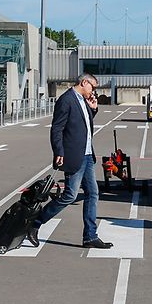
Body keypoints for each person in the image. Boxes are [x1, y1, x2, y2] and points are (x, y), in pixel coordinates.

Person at [28, 73, 113, 249]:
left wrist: (93, 109)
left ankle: (90, 236)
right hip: (75, 155)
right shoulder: (66, 100)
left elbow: (82, 126)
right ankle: (34, 223)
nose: (94, 91)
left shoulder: (83, 100)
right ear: (84, 82)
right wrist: (58, 150)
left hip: (88, 155)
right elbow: (57, 128)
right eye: (93, 87)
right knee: (70, 195)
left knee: (92, 194)